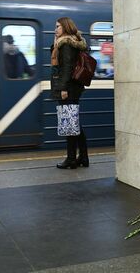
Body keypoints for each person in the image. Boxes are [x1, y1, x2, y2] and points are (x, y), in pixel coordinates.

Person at [51, 17, 89, 169]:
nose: (56, 29)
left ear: (65, 27)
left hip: (69, 88)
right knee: (74, 124)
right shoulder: (67, 42)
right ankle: (83, 158)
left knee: (70, 125)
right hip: (74, 87)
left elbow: (66, 68)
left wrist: (63, 89)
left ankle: (71, 159)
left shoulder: (66, 44)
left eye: (58, 26)